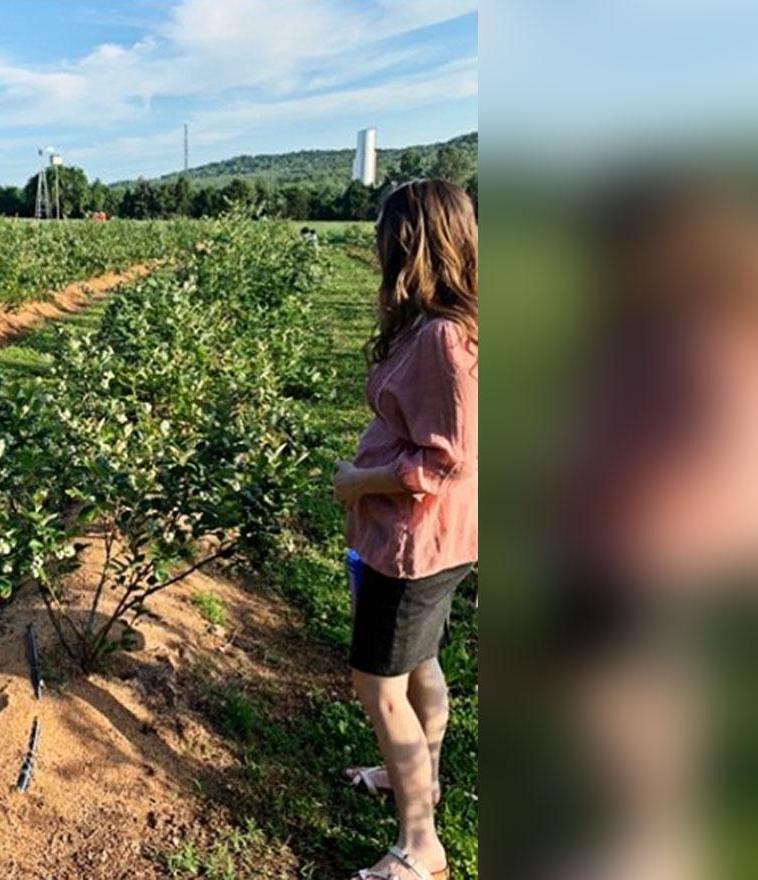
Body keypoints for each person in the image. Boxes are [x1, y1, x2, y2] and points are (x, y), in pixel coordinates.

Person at [332, 179, 478, 880]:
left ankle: (420, 847)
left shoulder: (444, 338)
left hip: (413, 544)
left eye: (386, 240)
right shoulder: (446, 326)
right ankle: (415, 778)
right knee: (420, 665)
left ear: (410, 244)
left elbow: (446, 459)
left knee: (378, 685)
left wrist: (358, 482)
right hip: (434, 540)